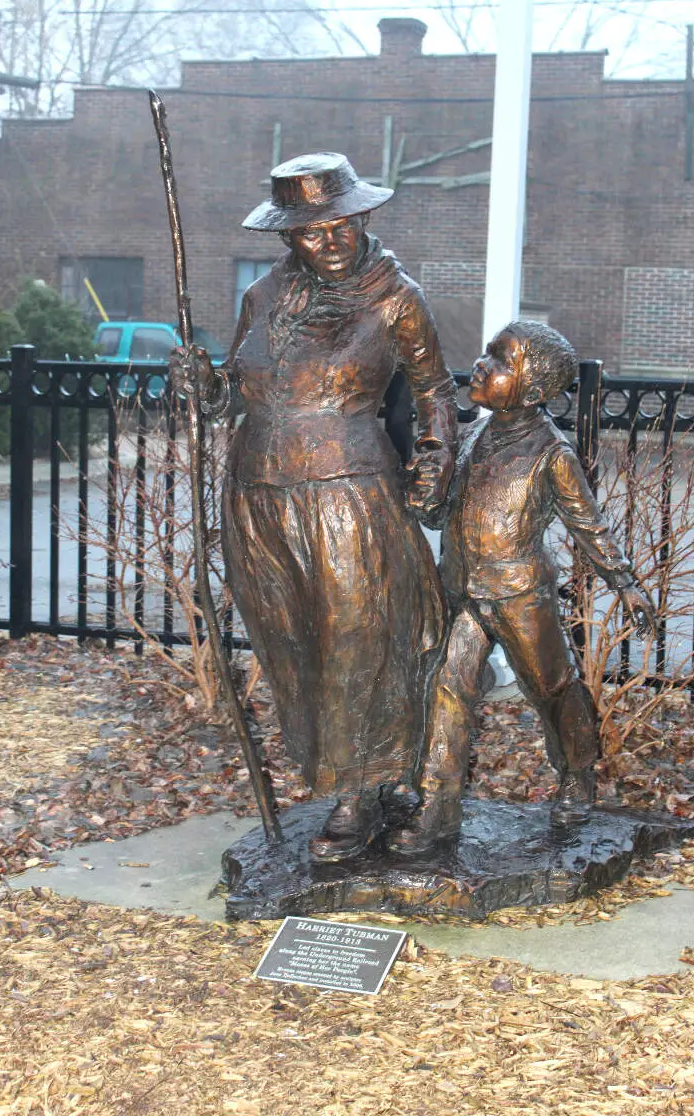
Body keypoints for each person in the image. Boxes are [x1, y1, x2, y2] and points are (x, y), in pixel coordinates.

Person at [172, 152, 457, 863]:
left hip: (347, 493)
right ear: (286, 236)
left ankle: (362, 793)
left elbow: (435, 393)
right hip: (258, 494)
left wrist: (434, 462)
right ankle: (348, 774)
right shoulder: (264, 297)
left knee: (358, 641)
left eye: (340, 224)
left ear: (361, 216)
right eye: (309, 231)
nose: (329, 240)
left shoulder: (396, 297)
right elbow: (230, 395)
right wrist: (201, 381)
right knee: (292, 643)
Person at [388, 320, 656, 856]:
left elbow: (587, 523)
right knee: (448, 689)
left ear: (532, 389)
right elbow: (441, 515)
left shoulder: (551, 454)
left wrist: (624, 582)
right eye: (487, 353)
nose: (484, 364)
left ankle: (578, 773)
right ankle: (439, 807)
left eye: (501, 360)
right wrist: (421, 493)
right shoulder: (468, 438)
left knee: (553, 690)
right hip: (464, 592)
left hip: (520, 595)